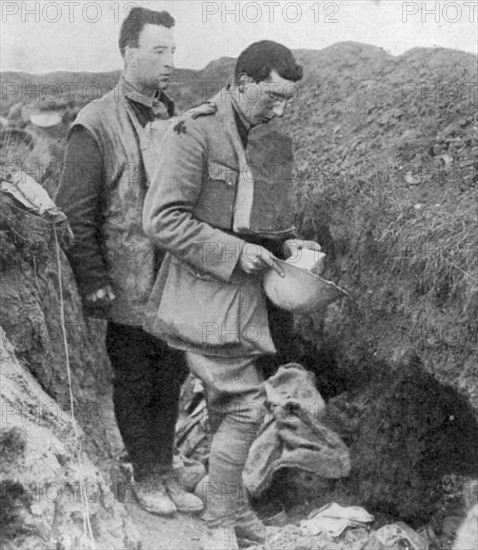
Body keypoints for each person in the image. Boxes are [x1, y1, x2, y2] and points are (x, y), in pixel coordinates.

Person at [143, 40, 320, 549]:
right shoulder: (195, 133)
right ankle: (218, 521)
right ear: (242, 84)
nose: (280, 109)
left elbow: (248, 220)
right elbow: (162, 221)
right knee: (245, 411)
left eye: (288, 100)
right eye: (272, 96)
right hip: (200, 296)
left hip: (239, 300)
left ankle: (236, 508)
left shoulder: (256, 139)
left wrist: (285, 242)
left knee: (229, 408)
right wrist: (234, 254)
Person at [55, 6, 203, 516]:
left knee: (171, 374)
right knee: (137, 378)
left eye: (173, 51)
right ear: (128, 53)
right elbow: (74, 212)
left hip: (172, 278)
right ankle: (146, 475)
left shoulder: (170, 115)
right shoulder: (94, 123)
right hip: (126, 281)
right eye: (158, 51)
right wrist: (95, 281)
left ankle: (163, 468)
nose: (169, 62)